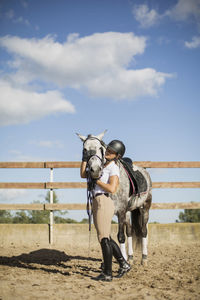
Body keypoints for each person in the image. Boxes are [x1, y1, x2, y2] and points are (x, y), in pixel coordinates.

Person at [80, 140, 131, 282]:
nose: (108, 152)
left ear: (117, 156)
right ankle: (124, 264)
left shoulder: (113, 168)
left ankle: (108, 273)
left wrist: (97, 182)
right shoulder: (101, 164)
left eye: (111, 152)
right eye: (107, 150)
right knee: (105, 237)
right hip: (96, 201)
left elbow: (112, 188)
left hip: (104, 201)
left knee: (103, 238)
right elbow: (83, 175)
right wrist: (84, 158)